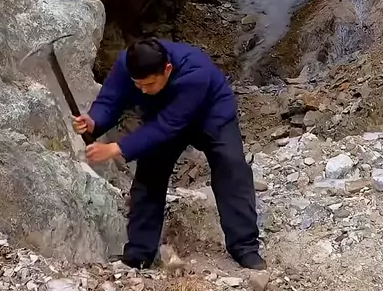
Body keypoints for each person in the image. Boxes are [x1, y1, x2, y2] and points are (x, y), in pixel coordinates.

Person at [73, 38, 265, 271]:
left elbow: (167, 125)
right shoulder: (128, 63)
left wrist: (116, 148)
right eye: (137, 84)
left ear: (167, 69)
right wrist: (94, 121)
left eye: (149, 84)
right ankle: (139, 253)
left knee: (231, 167)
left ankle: (245, 247)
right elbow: (111, 99)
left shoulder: (196, 74)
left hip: (212, 116)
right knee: (149, 174)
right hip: (163, 117)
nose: (143, 90)